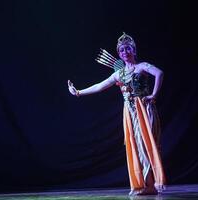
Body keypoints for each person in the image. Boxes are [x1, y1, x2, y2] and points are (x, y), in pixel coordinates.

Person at [68, 32, 166, 196]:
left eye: (128, 49)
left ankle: (151, 184)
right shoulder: (118, 74)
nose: (125, 52)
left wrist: (153, 95)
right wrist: (78, 92)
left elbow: (159, 73)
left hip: (143, 109)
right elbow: (100, 86)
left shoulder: (142, 66)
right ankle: (143, 184)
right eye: (121, 51)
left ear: (133, 51)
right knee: (135, 146)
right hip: (130, 112)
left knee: (145, 144)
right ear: (119, 54)